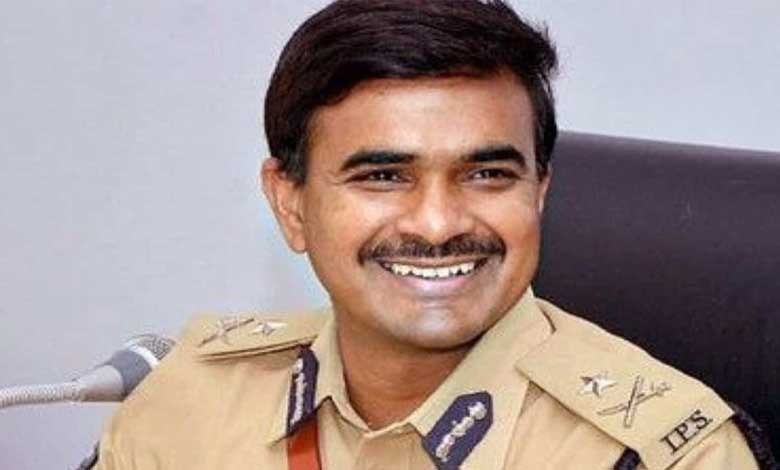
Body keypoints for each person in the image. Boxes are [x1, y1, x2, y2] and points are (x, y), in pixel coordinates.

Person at [89, 1, 773, 469]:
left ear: (540, 191)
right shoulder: (192, 400)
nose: (439, 224)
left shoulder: (659, 456)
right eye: (384, 176)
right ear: (290, 203)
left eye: (487, 174)